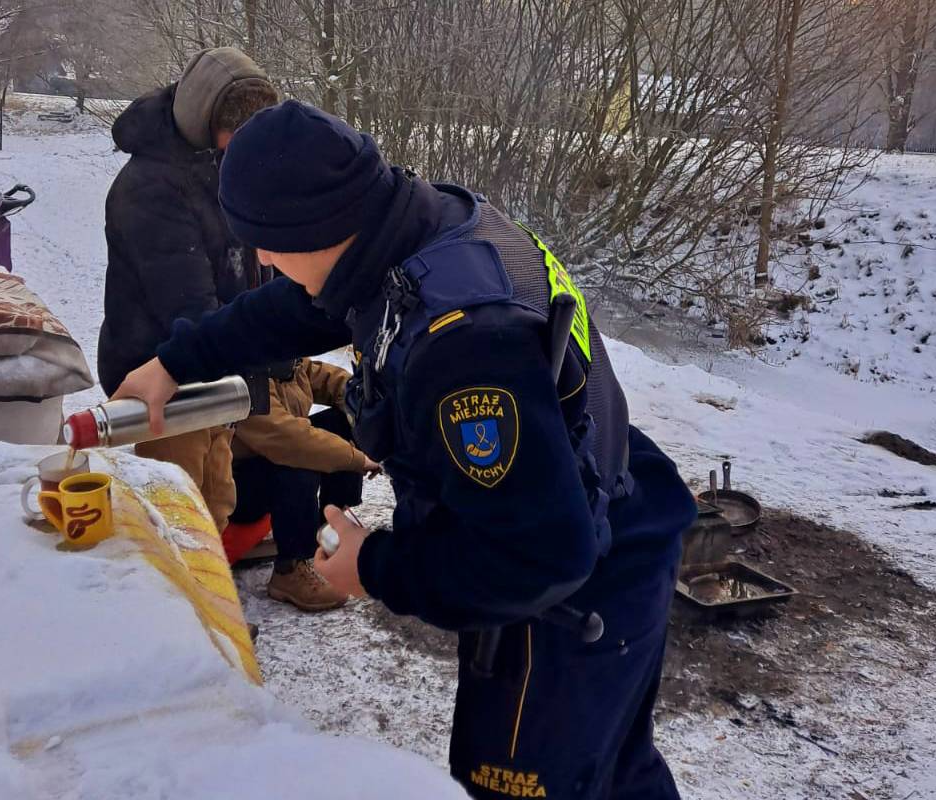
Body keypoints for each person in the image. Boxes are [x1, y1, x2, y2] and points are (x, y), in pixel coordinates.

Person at [114, 101, 697, 800]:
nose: (262, 259)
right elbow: (296, 308)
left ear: (317, 226)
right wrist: (175, 361)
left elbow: (541, 557)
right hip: (606, 497)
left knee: (527, 781)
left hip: (575, 587)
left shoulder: (467, 347)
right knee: (615, 771)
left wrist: (376, 568)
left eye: (266, 241)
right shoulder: (413, 230)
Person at [96, 47, 278, 533]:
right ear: (204, 120)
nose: (246, 148)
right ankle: (169, 607)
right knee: (174, 518)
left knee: (216, 501)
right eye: (236, 135)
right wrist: (260, 343)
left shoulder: (224, 165)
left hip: (214, 370)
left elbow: (259, 256)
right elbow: (189, 306)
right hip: (162, 379)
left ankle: (206, 600)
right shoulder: (149, 188)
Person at [229, 357, 380, 611]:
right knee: (300, 460)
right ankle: (291, 568)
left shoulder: (284, 362)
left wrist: (364, 399)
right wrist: (359, 459)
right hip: (237, 490)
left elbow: (325, 378)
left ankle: (331, 527)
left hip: (270, 464)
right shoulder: (243, 376)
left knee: (344, 421)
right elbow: (290, 440)